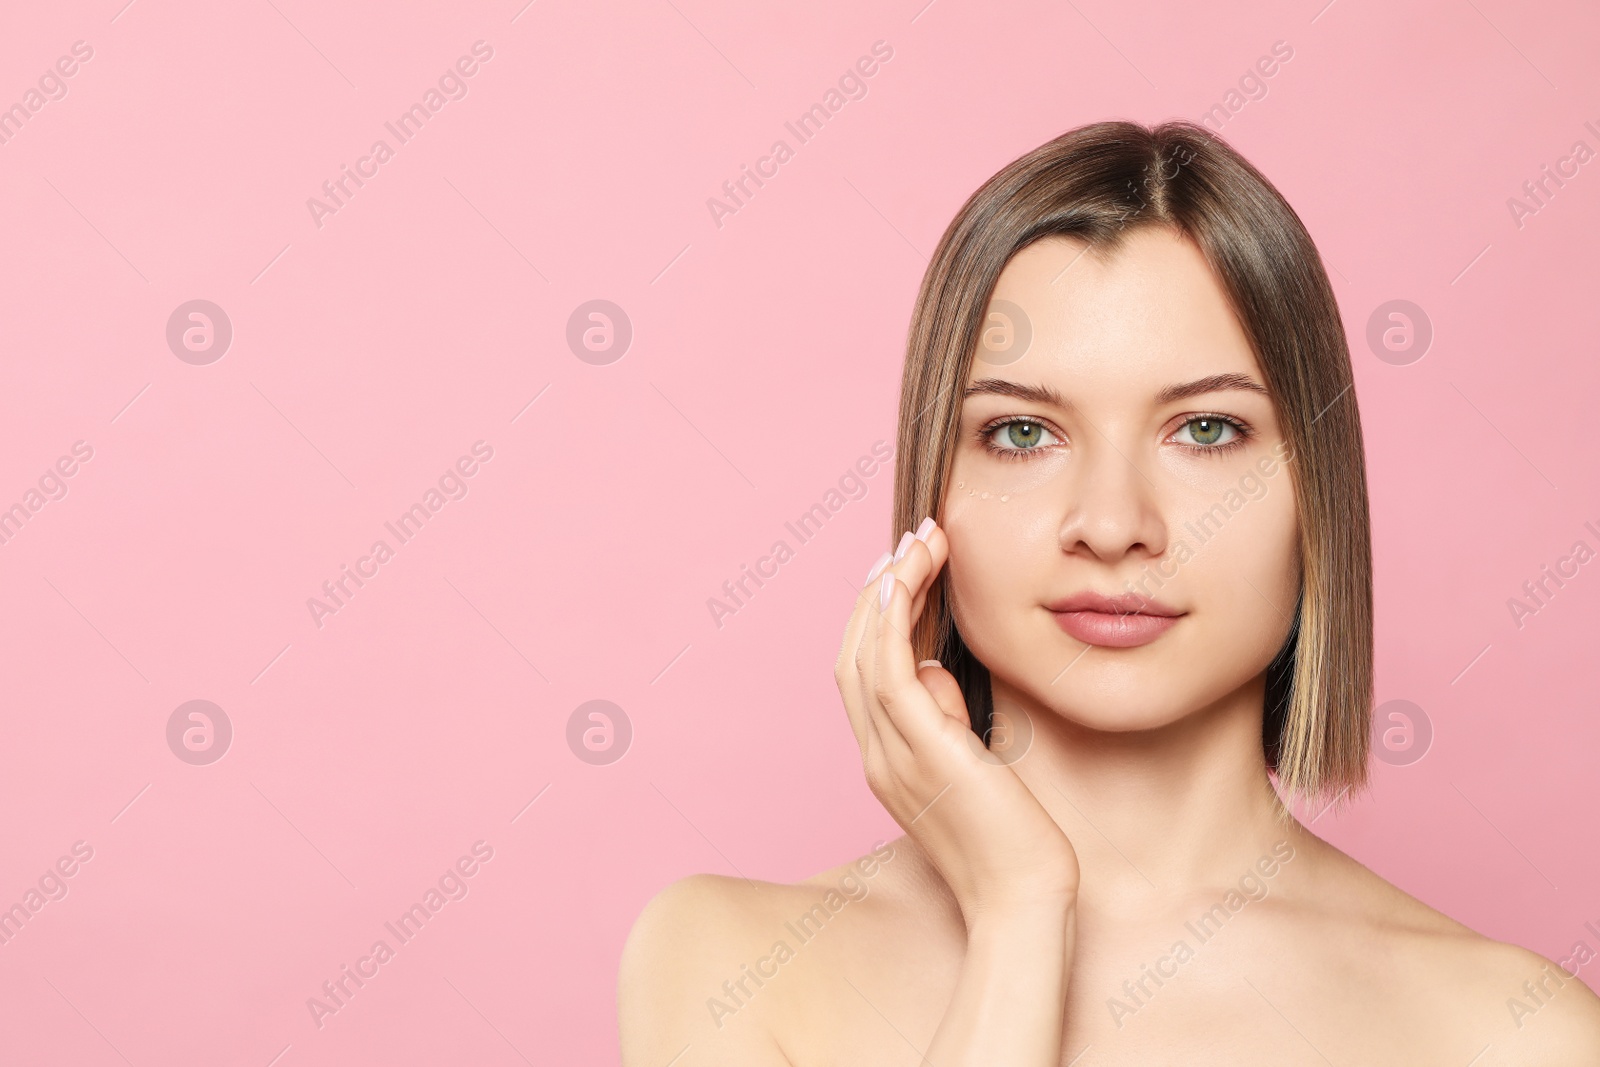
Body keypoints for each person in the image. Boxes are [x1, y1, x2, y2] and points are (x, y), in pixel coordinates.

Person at [617, 120, 1600, 1064]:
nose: (1112, 519)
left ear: (1317, 494)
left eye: (1207, 429)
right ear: (933, 488)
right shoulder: (727, 963)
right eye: (1022, 433)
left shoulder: (1514, 1033)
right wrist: (1019, 909)